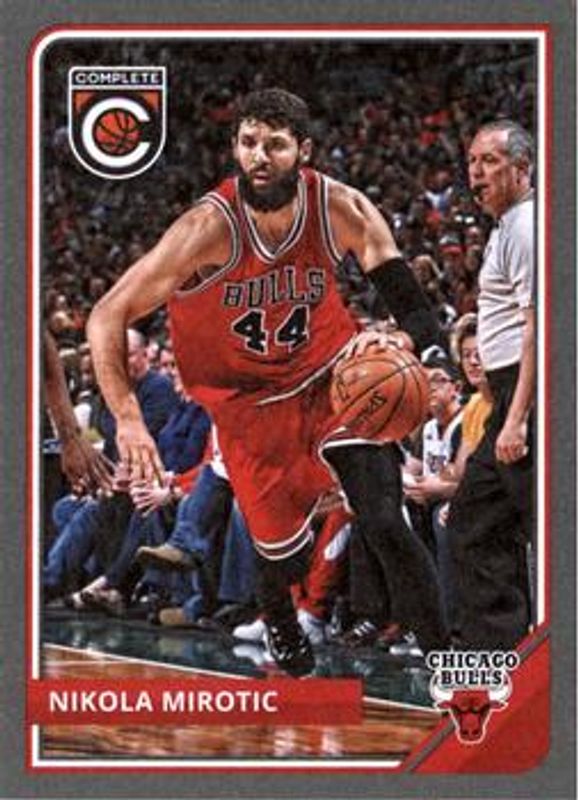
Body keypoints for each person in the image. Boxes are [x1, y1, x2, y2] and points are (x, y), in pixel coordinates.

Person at [87, 88, 449, 676]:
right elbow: (107, 314)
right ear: (235, 147)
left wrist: (418, 348)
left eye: (275, 144)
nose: (259, 156)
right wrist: (128, 420)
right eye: (249, 142)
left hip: (333, 377)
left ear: (303, 150)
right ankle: (278, 615)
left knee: (385, 518)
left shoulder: (341, 207)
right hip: (249, 405)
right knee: (284, 553)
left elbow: (405, 297)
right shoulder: (207, 227)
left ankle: (450, 669)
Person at [448, 119, 535, 650]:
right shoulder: (506, 227)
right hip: (506, 394)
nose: (476, 174)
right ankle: (499, 656)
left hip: (528, 396)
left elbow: (539, 328)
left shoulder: (527, 227)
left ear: (522, 168)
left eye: (489, 161)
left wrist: (518, 418)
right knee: (473, 523)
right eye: (472, 162)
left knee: (543, 530)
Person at [44, 329, 113, 494]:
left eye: (90, 373)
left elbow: (103, 438)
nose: (86, 378)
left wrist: (73, 437)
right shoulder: (94, 402)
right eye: (84, 373)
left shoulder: (89, 405)